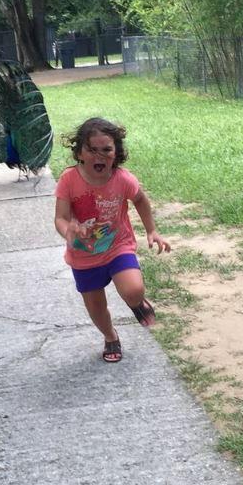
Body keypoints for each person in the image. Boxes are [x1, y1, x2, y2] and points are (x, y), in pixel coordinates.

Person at [54, 117, 171, 363]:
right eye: (91, 150)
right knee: (96, 307)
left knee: (134, 289)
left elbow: (140, 199)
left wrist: (152, 230)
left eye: (106, 149)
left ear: (116, 152)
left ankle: (136, 302)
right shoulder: (69, 180)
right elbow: (61, 218)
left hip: (118, 246)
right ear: (79, 153)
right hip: (83, 255)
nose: (100, 156)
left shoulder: (123, 179)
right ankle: (110, 337)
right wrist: (69, 231)